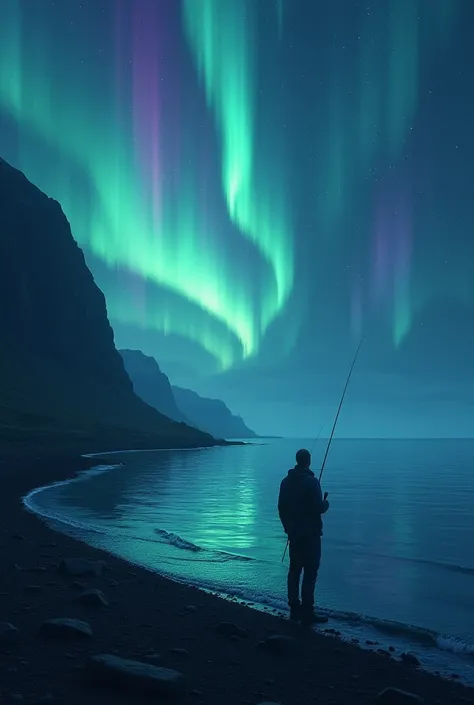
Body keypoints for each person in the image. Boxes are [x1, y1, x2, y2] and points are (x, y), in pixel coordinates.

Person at [278, 448, 329, 625]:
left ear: (297, 460)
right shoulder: (312, 482)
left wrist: (287, 528)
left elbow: (281, 508)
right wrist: (326, 503)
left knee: (294, 571)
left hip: (294, 535)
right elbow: (318, 508)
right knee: (310, 572)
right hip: (311, 536)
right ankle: (307, 611)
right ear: (308, 461)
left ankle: (294, 609)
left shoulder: (285, 482)